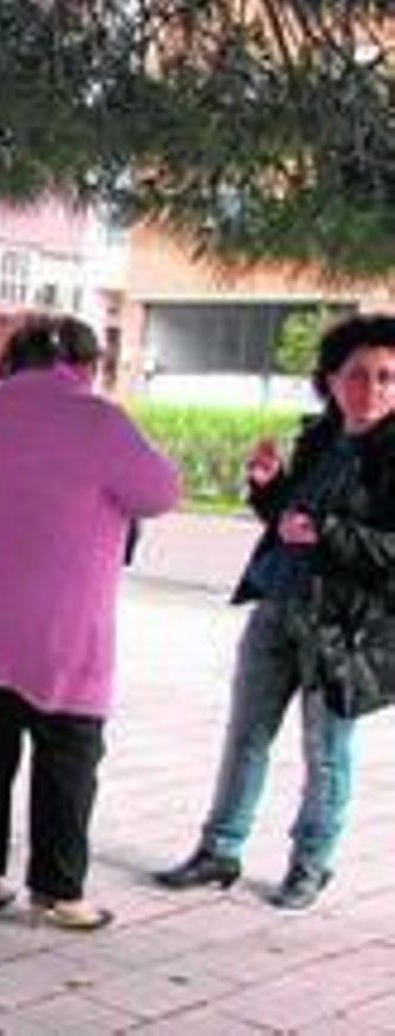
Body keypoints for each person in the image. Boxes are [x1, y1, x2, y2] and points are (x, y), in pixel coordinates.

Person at [0, 315, 182, 931]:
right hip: (63, 624)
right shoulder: (98, 419)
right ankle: (57, 891)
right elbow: (158, 492)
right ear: (87, 363)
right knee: (69, 752)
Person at [155, 314, 395, 910]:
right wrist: (270, 490)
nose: (373, 391)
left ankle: (311, 863)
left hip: (345, 630)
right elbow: (294, 524)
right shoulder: (319, 437)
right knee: (246, 737)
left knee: (326, 752)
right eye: (357, 376)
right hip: (277, 605)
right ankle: (220, 850)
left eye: (388, 378)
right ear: (331, 381)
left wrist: (327, 530)